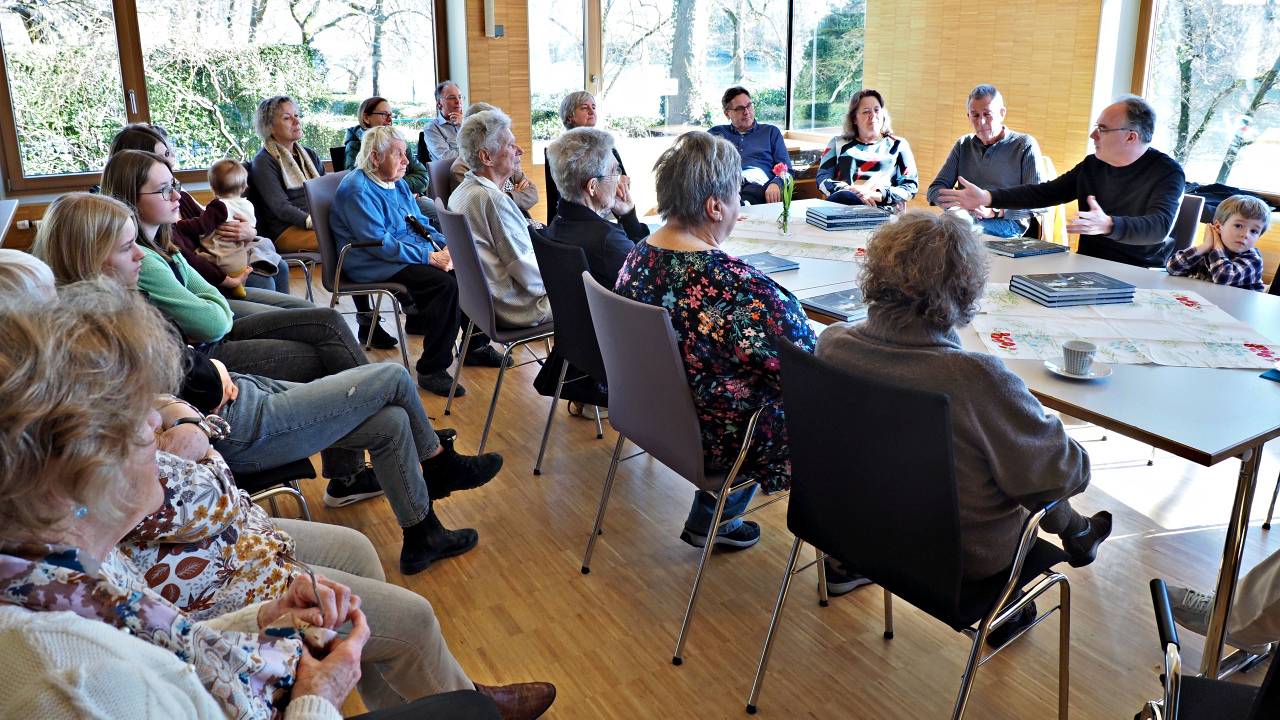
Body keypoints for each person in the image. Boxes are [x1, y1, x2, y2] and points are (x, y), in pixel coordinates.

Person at [0, 280, 508, 720]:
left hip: (240, 596)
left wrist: (262, 621)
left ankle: (418, 681)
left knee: (385, 419)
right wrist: (318, 698)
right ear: (77, 469)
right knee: (386, 379)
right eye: (135, 419)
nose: (155, 422)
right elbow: (213, 500)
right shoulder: (76, 685)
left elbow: (173, 639)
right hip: (240, 596)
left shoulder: (64, 562)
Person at [31, 191, 503, 576]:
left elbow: (179, 367)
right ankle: (437, 463)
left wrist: (211, 371)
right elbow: (164, 393)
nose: (140, 254)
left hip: (243, 394)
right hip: (242, 427)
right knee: (394, 376)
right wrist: (201, 384)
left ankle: (423, 535)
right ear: (90, 256)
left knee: (392, 421)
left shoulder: (114, 304)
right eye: (125, 248)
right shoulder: (96, 330)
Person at [814, 210, 1112, 626]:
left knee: (997, 454)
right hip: (956, 557)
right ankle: (1018, 594)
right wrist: (1038, 423)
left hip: (853, 528)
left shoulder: (832, 344)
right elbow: (1065, 474)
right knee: (1015, 464)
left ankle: (1076, 533)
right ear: (966, 289)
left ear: (874, 274)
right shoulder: (976, 379)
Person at [614, 130, 817, 551]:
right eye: (737, 195)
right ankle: (847, 553)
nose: (738, 205)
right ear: (714, 206)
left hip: (655, 415)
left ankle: (715, 515)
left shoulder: (638, 256)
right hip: (719, 435)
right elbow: (811, 371)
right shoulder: (740, 290)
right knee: (841, 404)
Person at [99, 150, 367, 383]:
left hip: (213, 327)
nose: (177, 195)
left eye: (174, 184)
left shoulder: (163, 243)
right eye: (164, 189)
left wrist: (211, 306)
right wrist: (212, 307)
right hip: (203, 354)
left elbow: (209, 301)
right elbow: (213, 323)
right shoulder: (144, 259)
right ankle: (367, 403)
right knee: (321, 347)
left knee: (325, 319)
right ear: (131, 197)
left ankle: (367, 405)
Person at [330, 125, 505, 396]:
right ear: (375, 157)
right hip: (371, 261)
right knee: (445, 285)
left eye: (405, 153)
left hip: (401, 253)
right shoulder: (358, 190)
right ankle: (431, 369)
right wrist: (429, 256)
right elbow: (380, 244)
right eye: (398, 154)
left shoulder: (397, 182)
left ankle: (475, 346)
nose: (406, 161)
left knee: (467, 268)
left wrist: (448, 245)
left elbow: (419, 222)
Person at [937, 95, 1185, 268]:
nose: (1093, 135)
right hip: (1088, 263)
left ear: (1131, 137)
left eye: (1102, 129)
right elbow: (1044, 193)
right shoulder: (1092, 165)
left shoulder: (1167, 172)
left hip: (1141, 269)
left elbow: (1159, 226)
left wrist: (1109, 224)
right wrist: (988, 197)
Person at [109, 123, 295, 298]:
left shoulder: (181, 197)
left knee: (279, 266)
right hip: (211, 280)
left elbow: (211, 222)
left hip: (218, 267)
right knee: (263, 278)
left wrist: (249, 231)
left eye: (167, 153)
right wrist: (226, 279)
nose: (169, 161)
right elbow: (188, 262)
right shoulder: (149, 228)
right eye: (158, 157)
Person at [449, 109, 552, 327]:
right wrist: (566, 278)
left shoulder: (461, 192)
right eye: (511, 145)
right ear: (487, 157)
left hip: (481, 304)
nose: (520, 150)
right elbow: (530, 275)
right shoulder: (492, 200)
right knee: (596, 291)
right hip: (519, 306)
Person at [926, 84, 1045, 237]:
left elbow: (1039, 202)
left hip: (1007, 222)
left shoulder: (1024, 144)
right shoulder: (963, 144)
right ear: (968, 116)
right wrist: (959, 205)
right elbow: (934, 190)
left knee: (957, 232)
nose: (981, 122)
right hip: (964, 219)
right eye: (975, 115)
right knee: (924, 227)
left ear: (1002, 113)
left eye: (987, 114)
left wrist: (994, 211)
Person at [814, 89, 919, 210]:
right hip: (844, 207)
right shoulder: (837, 143)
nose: (873, 115)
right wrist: (850, 191)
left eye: (876, 110)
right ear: (854, 118)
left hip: (883, 211)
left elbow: (910, 187)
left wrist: (877, 194)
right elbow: (822, 179)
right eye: (866, 111)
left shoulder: (898, 145)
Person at [197, 158, 284, 298]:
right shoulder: (247, 206)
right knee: (274, 268)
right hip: (239, 252)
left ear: (212, 188)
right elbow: (251, 227)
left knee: (280, 266)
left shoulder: (215, 207)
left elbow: (202, 225)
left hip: (222, 255)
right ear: (244, 187)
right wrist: (251, 231)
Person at [344, 96, 439, 224]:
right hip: (385, 203)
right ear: (366, 118)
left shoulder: (397, 141)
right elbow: (367, 184)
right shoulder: (356, 147)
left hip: (411, 198)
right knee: (441, 217)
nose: (390, 119)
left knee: (441, 215)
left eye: (391, 115)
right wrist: (399, 189)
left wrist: (402, 189)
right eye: (384, 114)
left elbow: (422, 176)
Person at [543, 90, 631, 221]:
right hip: (574, 217)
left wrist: (622, 182)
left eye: (593, 107)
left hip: (609, 211)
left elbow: (623, 176)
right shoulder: (557, 151)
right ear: (569, 116)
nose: (591, 111)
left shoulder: (607, 145)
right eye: (584, 108)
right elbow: (553, 195)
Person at [1166, 194, 1269, 292]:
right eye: (1238, 226)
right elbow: (1172, 268)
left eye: (1254, 231)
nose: (1246, 235)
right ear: (1218, 227)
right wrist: (1204, 246)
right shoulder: (1205, 250)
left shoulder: (1253, 260)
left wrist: (1217, 247)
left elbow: (1222, 277)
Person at [451, 103, 539, 215]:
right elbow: (484, 206)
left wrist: (506, 197)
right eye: (510, 145)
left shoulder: (506, 164)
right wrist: (505, 198)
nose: (520, 151)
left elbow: (532, 193)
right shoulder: (463, 170)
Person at [708, 86, 790, 205]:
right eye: (740, 108)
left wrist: (776, 183)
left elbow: (787, 169)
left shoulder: (771, 132)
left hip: (759, 186)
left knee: (751, 190)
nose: (746, 112)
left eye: (749, 106)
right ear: (727, 113)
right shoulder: (716, 134)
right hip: (725, 185)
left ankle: (740, 206)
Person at [422, 80, 465, 163]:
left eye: (460, 97)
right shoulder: (431, 128)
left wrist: (462, 126)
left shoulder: (468, 122)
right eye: (452, 98)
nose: (458, 101)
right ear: (439, 103)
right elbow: (446, 157)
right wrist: (472, 154)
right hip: (449, 170)